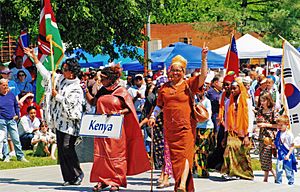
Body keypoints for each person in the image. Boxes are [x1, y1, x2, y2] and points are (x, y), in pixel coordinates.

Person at [148, 47, 208, 192]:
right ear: (169, 71)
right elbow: (159, 106)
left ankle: (182, 184)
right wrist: (152, 116)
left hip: (186, 128)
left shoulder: (189, 84)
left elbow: (203, 76)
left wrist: (203, 58)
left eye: (179, 70)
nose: (175, 73)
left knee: (186, 156)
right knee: (175, 161)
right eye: (173, 70)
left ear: (183, 72)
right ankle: (180, 185)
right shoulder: (164, 88)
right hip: (170, 130)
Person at [24, 48, 84, 186]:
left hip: (70, 123)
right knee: (62, 150)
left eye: (66, 69)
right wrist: (35, 58)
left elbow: (73, 105)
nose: (63, 71)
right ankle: (68, 178)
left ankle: (77, 174)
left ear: (72, 72)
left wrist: (58, 97)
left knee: (67, 147)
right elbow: (46, 74)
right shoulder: (59, 79)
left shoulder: (76, 87)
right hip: (59, 122)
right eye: (63, 68)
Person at [89, 65, 151, 192]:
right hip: (102, 128)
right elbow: (93, 102)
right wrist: (86, 90)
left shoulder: (121, 91)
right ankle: (103, 180)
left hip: (116, 128)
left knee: (116, 154)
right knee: (101, 155)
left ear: (111, 78)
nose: (101, 81)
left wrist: (118, 113)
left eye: (104, 78)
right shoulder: (102, 90)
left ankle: (116, 181)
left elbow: (130, 108)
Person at [221, 77, 253, 180]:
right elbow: (226, 119)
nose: (233, 90)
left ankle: (245, 174)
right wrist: (225, 136)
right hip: (231, 131)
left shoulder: (247, 101)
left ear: (240, 88)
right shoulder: (228, 103)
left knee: (242, 153)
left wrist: (247, 135)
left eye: (235, 88)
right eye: (232, 89)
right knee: (229, 149)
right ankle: (230, 172)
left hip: (243, 131)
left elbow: (250, 118)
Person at [0, 78, 28, 162]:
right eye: (3, 85)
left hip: (12, 119)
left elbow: (16, 105)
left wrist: (17, 114)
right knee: (4, 139)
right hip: (1, 120)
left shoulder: (11, 94)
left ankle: (20, 156)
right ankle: (6, 156)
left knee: (16, 138)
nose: (5, 87)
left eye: (6, 85)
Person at [256, 91, 278, 182]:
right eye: (261, 100)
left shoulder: (273, 110)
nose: (262, 102)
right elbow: (258, 122)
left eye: (264, 100)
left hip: (270, 137)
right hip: (261, 136)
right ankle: (274, 175)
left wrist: (266, 125)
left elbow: (277, 125)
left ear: (269, 100)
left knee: (266, 156)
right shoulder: (260, 110)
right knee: (262, 157)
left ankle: (267, 178)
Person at [193, 84, 214, 178]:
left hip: (206, 128)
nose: (199, 92)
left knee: (203, 150)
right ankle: (197, 170)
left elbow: (207, 116)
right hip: (196, 127)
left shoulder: (207, 102)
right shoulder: (194, 101)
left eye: (201, 90)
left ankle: (203, 170)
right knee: (196, 150)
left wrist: (198, 108)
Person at [274, 115, 297, 185]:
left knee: (288, 170)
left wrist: (288, 155)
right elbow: (277, 143)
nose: (279, 127)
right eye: (278, 125)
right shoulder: (278, 133)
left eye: (281, 125)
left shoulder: (289, 134)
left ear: (287, 124)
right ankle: (278, 181)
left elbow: (292, 146)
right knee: (279, 169)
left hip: (287, 155)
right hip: (280, 155)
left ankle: (291, 182)